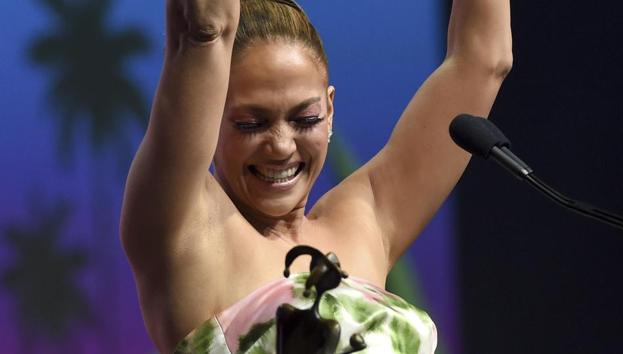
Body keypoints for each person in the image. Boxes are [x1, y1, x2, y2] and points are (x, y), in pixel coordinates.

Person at [120, 0, 512, 353]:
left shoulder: (366, 220)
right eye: (251, 124)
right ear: (210, 121)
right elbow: (203, 29)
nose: (281, 146)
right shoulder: (185, 232)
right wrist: (204, 37)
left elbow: (484, 59)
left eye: (304, 119)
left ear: (329, 109)